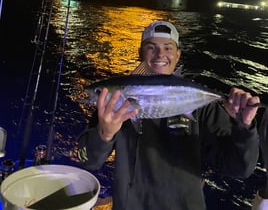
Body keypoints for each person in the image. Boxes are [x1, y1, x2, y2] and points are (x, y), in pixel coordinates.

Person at [78, 20, 260, 210]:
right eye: (151, 47)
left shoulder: (201, 107)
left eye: (168, 47)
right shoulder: (111, 109)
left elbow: (240, 168)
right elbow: (87, 161)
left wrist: (243, 126)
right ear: (141, 53)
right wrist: (104, 134)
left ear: (178, 54)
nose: (160, 55)